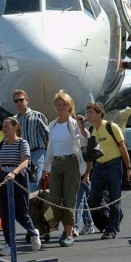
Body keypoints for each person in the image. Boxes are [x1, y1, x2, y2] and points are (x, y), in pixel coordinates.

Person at [41, 90, 88, 247]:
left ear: (70, 106)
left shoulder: (73, 123)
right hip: (56, 163)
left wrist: (82, 127)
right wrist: (45, 169)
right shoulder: (52, 125)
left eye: (64, 105)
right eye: (58, 104)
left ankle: (68, 234)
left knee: (69, 200)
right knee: (54, 199)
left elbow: (84, 141)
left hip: (72, 163)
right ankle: (59, 226)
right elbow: (50, 149)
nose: (61, 107)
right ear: (55, 107)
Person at [0, 117, 40, 256]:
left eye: (6, 126)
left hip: (19, 179)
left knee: (20, 212)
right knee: (4, 214)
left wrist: (14, 172)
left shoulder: (22, 143)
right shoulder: (1, 144)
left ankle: (33, 232)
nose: (4, 129)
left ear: (15, 127)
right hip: (3, 179)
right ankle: (9, 244)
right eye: (3, 126)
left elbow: (25, 162)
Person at [86, 102, 131, 239]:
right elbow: (91, 152)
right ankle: (114, 218)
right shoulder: (92, 130)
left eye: (91, 112)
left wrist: (128, 168)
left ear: (99, 114)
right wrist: (87, 173)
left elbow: (123, 147)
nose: (88, 115)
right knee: (94, 198)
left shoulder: (111, 127)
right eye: (88, 112)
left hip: (114, 165)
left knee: (114, 198)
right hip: (99, 166)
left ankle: (111, 229)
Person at [13, 89, 50, 192]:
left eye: (21, 100)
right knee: (22, 184)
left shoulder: (38, 116)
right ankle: (26, 207)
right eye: (16, 101)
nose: (19, 103)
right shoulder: (14, 120)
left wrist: (50, 159)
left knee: (34, 183)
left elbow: (47, 138)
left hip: (37, 153)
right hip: (21, 155)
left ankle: (32, 207)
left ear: (27, 100)